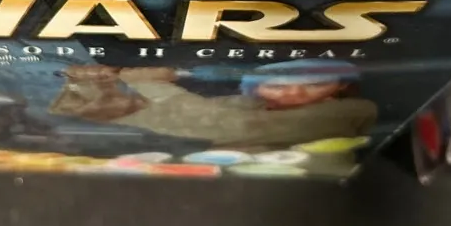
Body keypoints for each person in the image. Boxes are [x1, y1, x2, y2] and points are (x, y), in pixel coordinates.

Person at [48, 59, 376, 149]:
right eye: (277, 85)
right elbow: (152, 114)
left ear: (341, 87)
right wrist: (91, 85)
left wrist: (148, 82)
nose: (295, 93)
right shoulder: (249, 104)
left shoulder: (351, 111)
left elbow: (234, 127)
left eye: (315, 84)